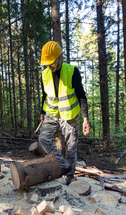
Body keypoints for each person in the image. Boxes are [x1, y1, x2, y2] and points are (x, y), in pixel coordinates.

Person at [38, 41, 90, 185]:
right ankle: (64, 166)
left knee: (71, 148)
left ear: (60, 57)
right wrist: (42, 112)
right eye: (47, 64)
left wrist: (85, 118)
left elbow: (81, 96)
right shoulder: (44, 75)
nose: (50, 66)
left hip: (70, 115)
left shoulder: (72, 71)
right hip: (52, 113)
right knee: (43, 139)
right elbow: (45, 95)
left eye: (52, 63)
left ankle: (69, 177)